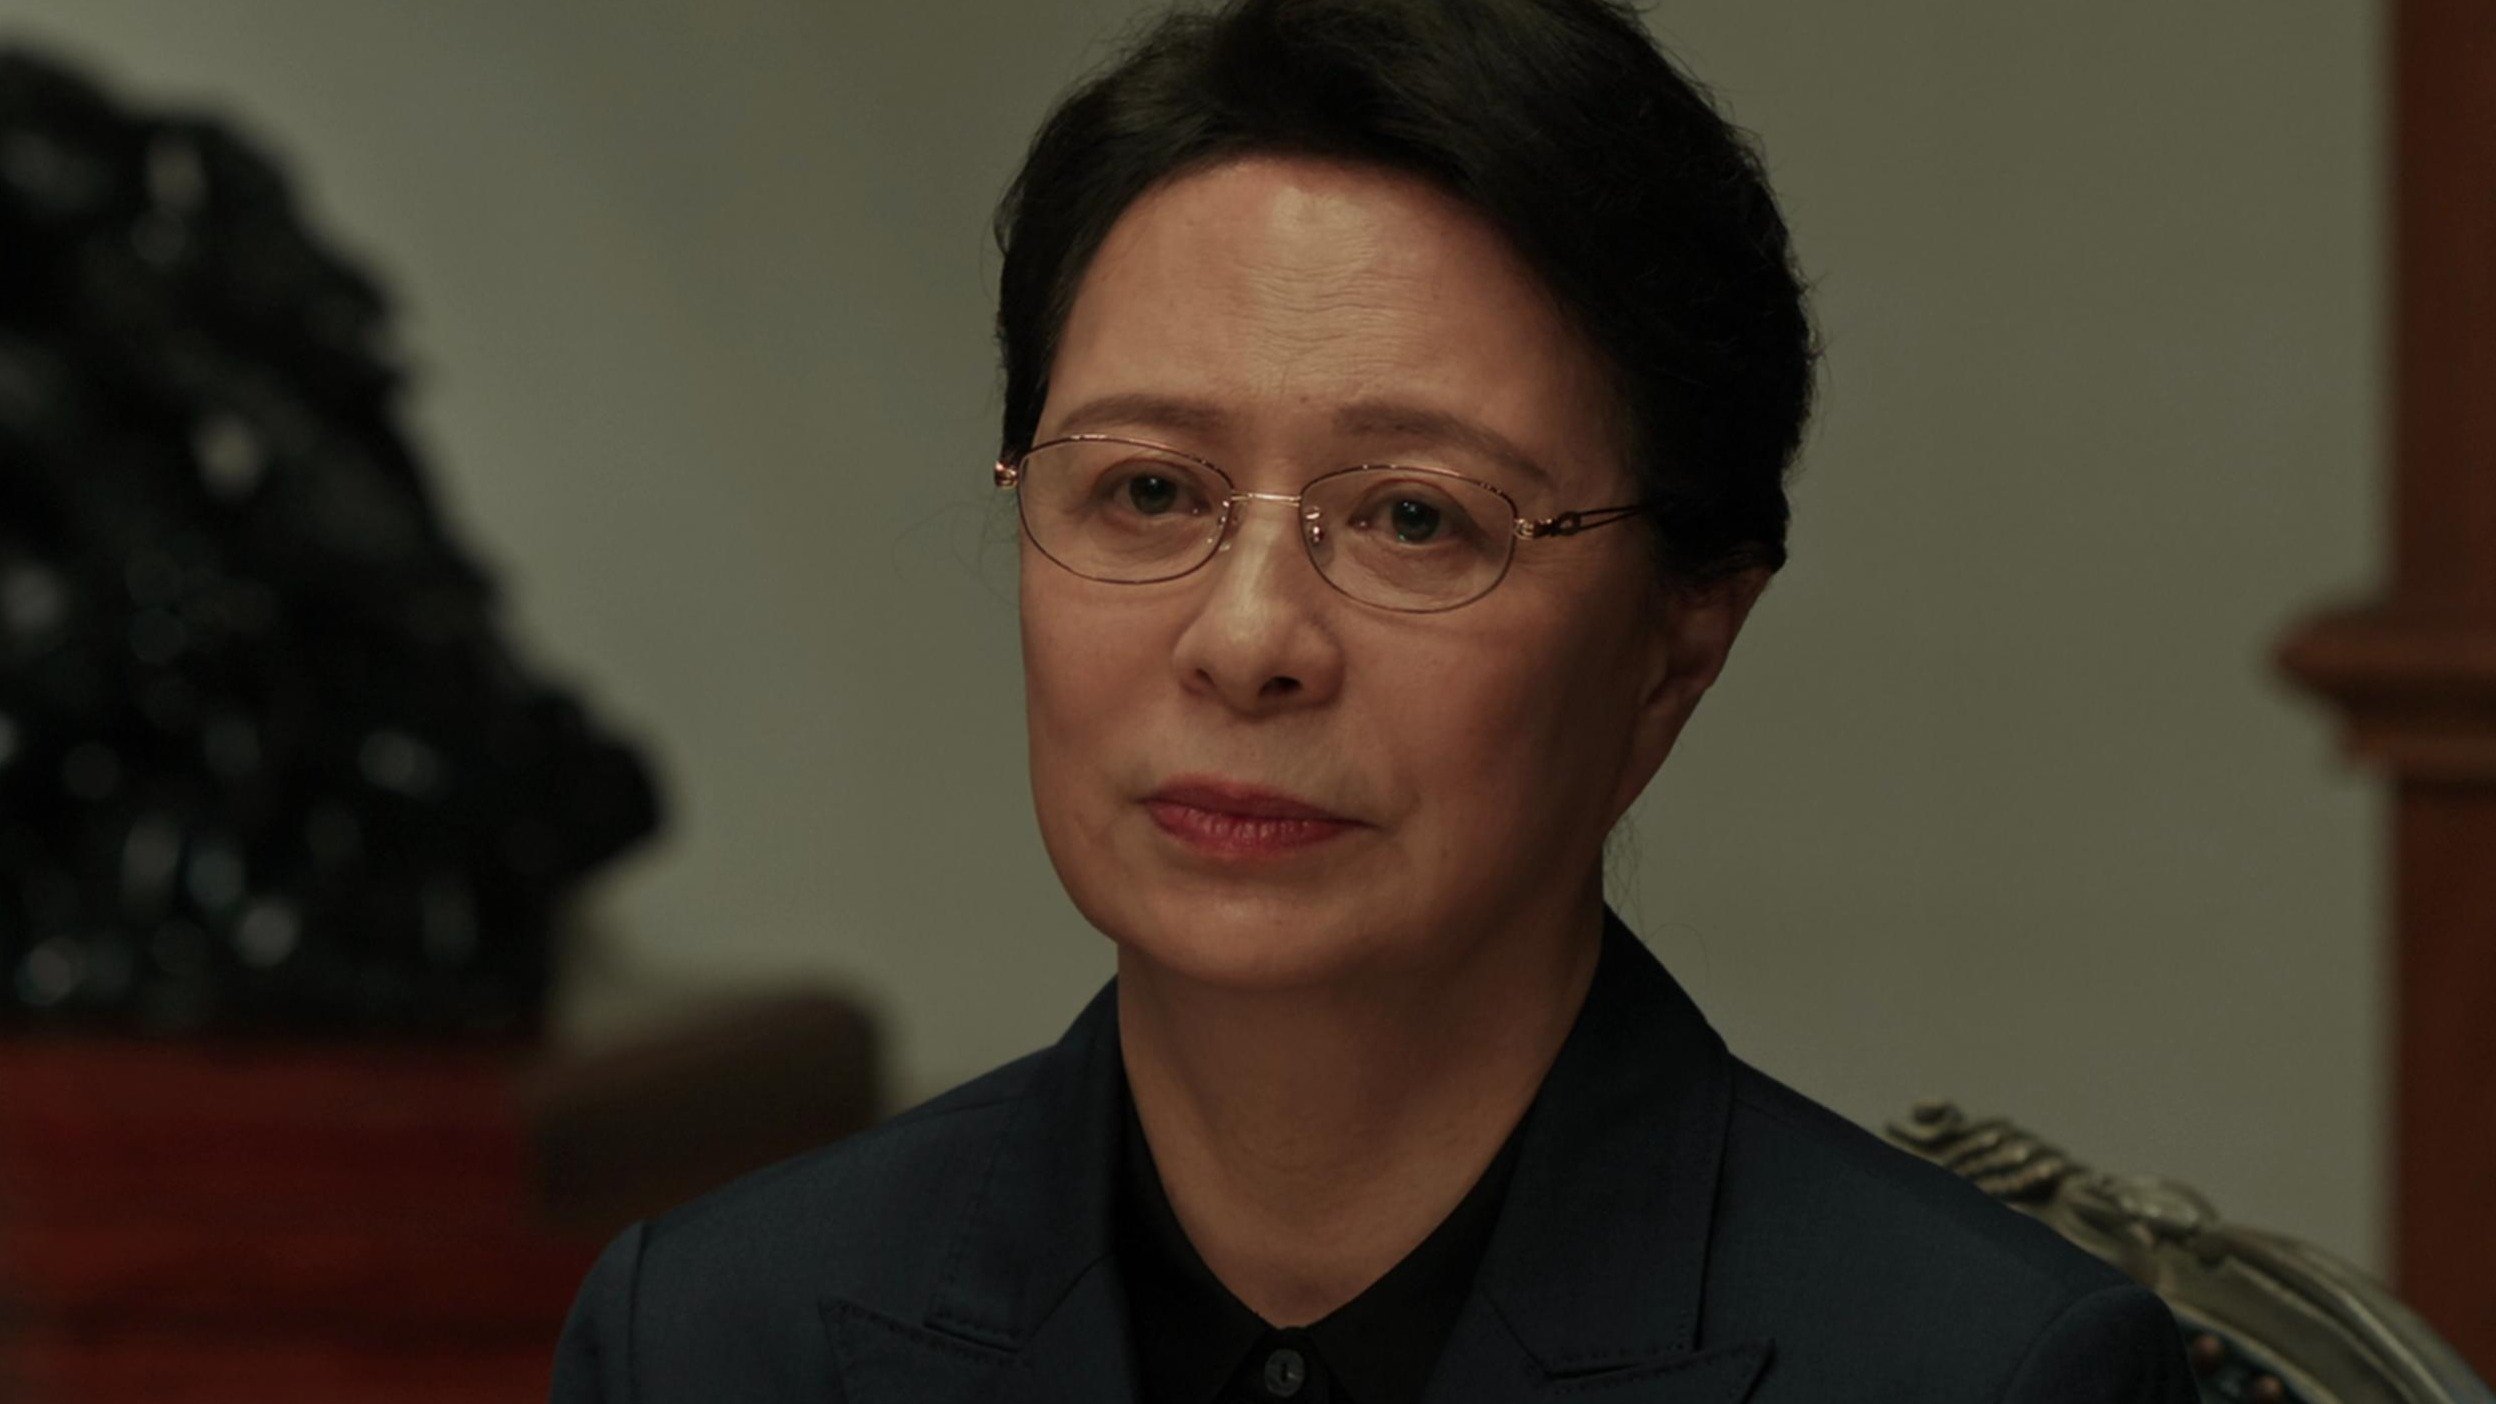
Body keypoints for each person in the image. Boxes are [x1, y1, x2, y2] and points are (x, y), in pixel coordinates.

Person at [552, 0, 2199, 1399]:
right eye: (1147, 492)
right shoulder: (712, 1342)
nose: (1247, 639)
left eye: (1417, 517)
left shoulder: (1976, 1372)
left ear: (1680, 641)